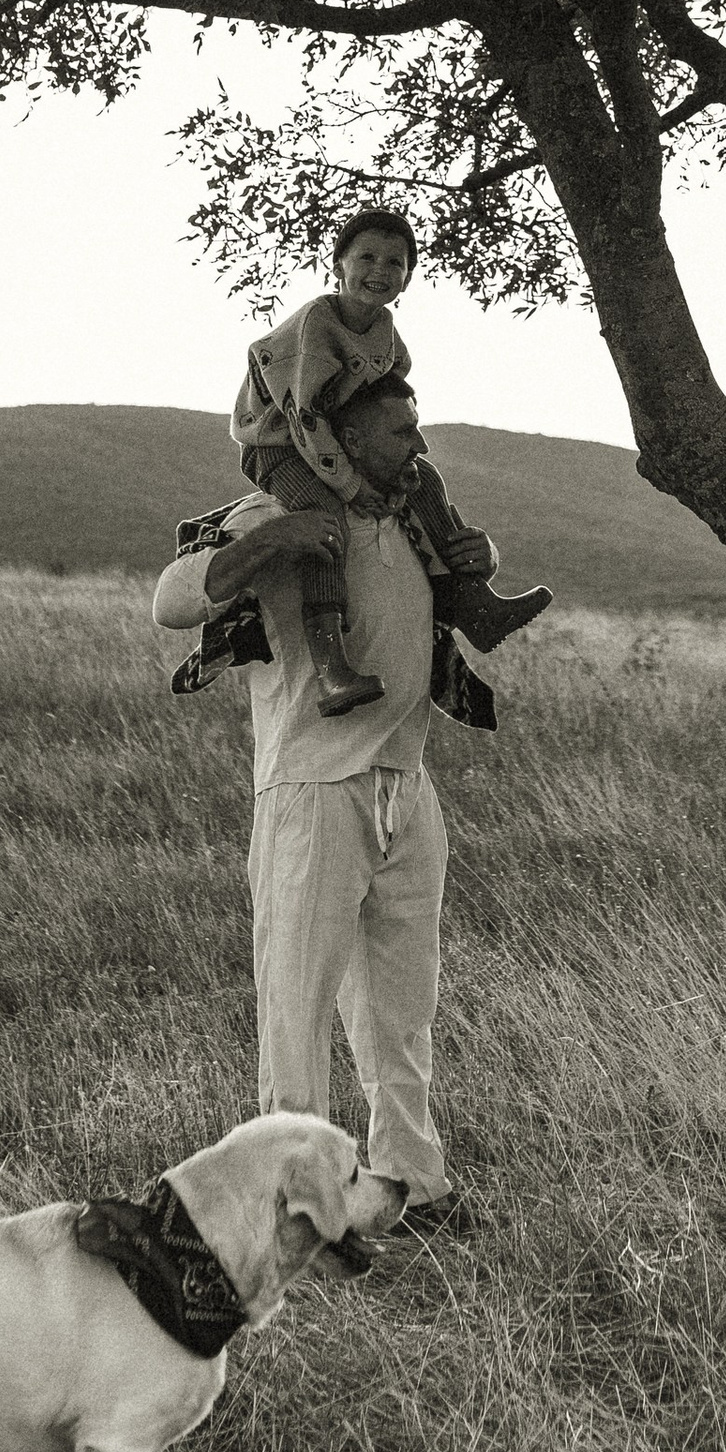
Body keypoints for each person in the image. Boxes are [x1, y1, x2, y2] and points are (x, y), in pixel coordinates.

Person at [155, 370, 473, 1232]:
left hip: (409, 790)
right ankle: (290, 1206)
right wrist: (275, 540)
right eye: (402, 429)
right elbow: (173, 601)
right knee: (296, 1011)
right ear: (346, 440)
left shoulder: (407, 521)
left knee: (401, 1011)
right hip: (313, 793)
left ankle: (412, 1184)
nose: (419, 444)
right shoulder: (273, 513)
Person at [230, 205, 549, 715]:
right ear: (337, 264)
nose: (380, 271)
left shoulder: (385, 332)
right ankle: (331, 666)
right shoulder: (315, 325)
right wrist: (354, 486)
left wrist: (392, 461)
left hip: (338, 437)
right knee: (323, 518)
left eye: (395, 263)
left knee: (422, 479)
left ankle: (473, 603)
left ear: (408, 276)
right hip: (279, 444)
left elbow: (387, 399)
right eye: (367, 257)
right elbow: (304, 418)